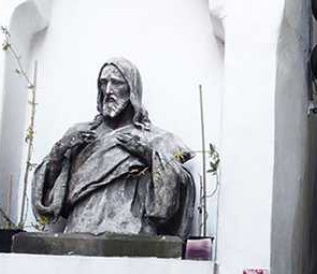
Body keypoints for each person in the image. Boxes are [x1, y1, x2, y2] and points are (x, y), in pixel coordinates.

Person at [32, 58, 195, 238]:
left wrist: (147, 154)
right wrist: (60, 150)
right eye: (103, 83)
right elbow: (47, 193)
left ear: (132, 89)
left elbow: (181, 186)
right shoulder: (79, 133)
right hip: (81, 231)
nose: (108, 90)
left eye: (116, 82)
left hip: (133, 232)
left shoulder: (159, 139)